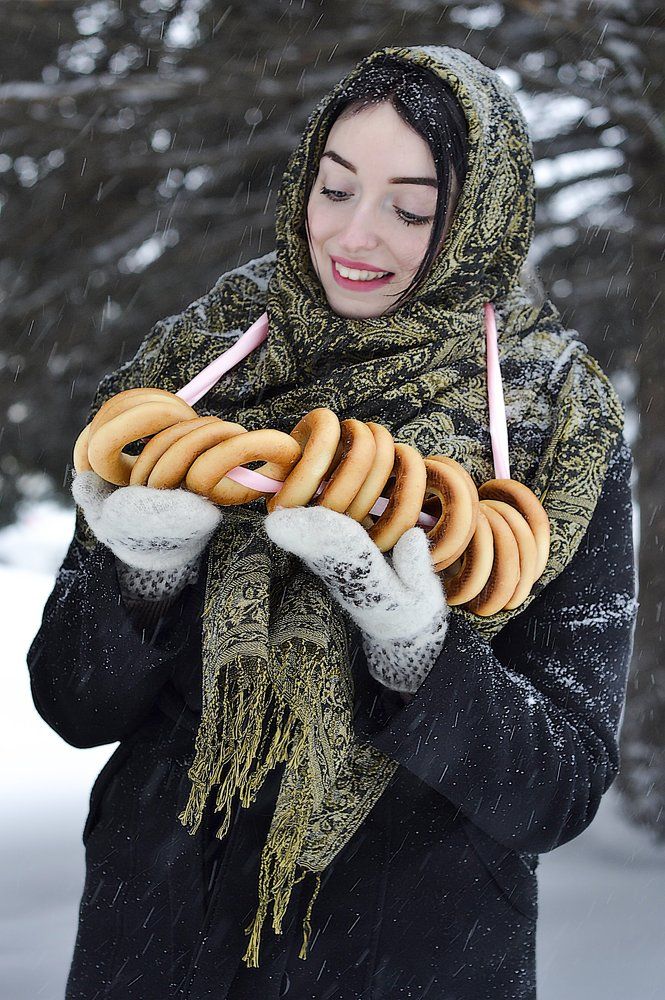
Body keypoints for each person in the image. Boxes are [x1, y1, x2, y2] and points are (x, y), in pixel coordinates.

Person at [27, 45, 638, 1000]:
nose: (355, 236)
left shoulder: (558, 426)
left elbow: (556, 788)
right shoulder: (198, 369)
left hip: (415, 957)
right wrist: (139, 579)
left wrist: (416, 651)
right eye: (334, 188)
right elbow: (69, 702)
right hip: (157, 944)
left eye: (410, 209)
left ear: (477, 221)